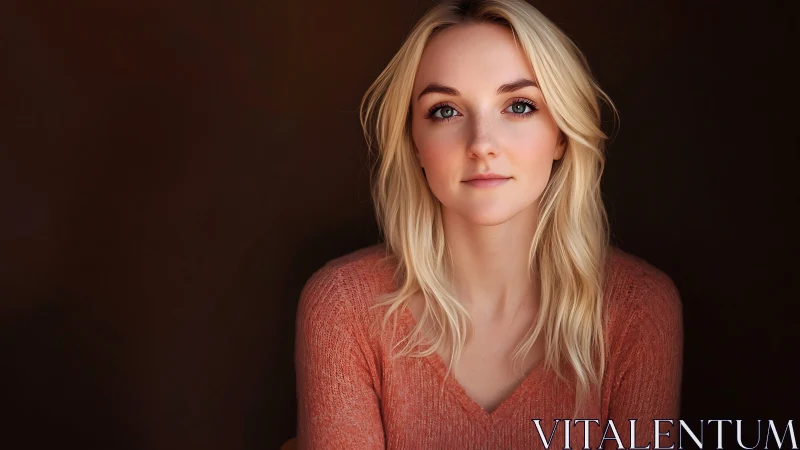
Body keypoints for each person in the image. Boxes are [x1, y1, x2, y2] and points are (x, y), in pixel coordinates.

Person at [294, 0, 683, 448]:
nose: (482, 144)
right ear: (414, 144)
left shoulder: (638, 309)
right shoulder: (344, 309)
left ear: (560, 133)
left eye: (518, 106)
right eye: (445, 110)